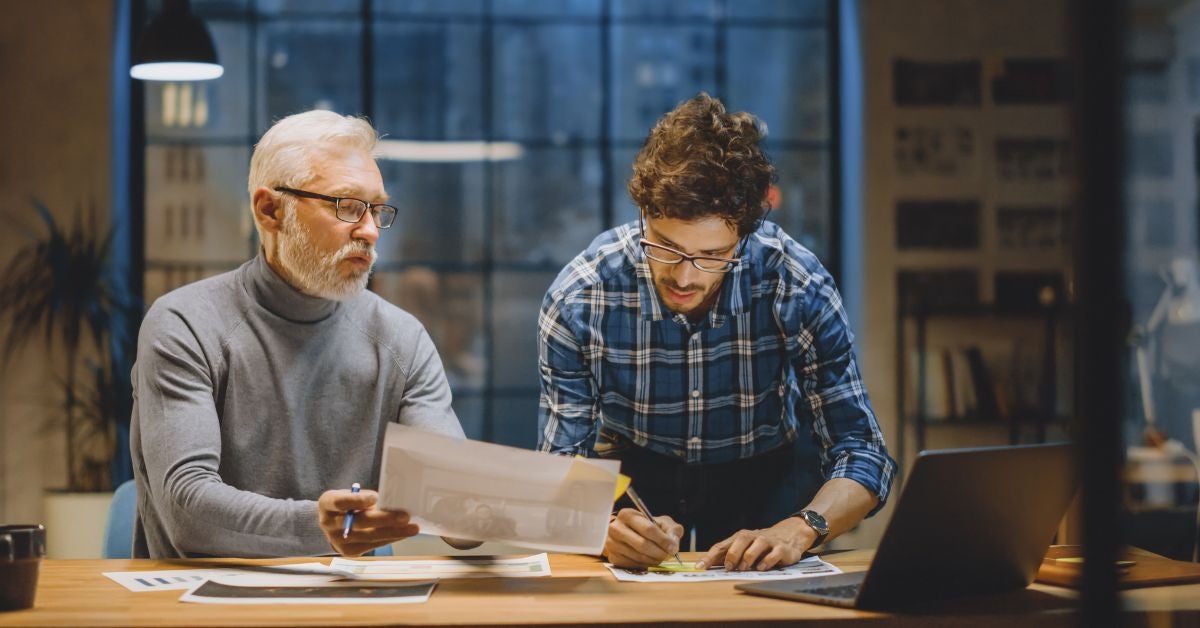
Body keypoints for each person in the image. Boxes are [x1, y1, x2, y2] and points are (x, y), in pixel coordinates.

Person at [537, 93, 896, 571]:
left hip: (764, 478)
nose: (685, 277)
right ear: (644, 213)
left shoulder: (796, 284)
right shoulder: (581, 297)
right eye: (665, 247)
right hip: (635, 480)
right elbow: (560, 469)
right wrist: (599, 531)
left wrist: (803, 525)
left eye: (711, 255)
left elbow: (863, 452)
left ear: (743, 236)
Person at [130, 110, 466, 558]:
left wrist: (473, 513)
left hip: (351, 605)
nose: (369, 230)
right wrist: (317, 526)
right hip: (206, 608)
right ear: (270, 210)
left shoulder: (402, 339)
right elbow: (188, 511)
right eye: (346, 206)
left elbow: (457, 501)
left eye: (377, 209)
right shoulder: (186, 324)